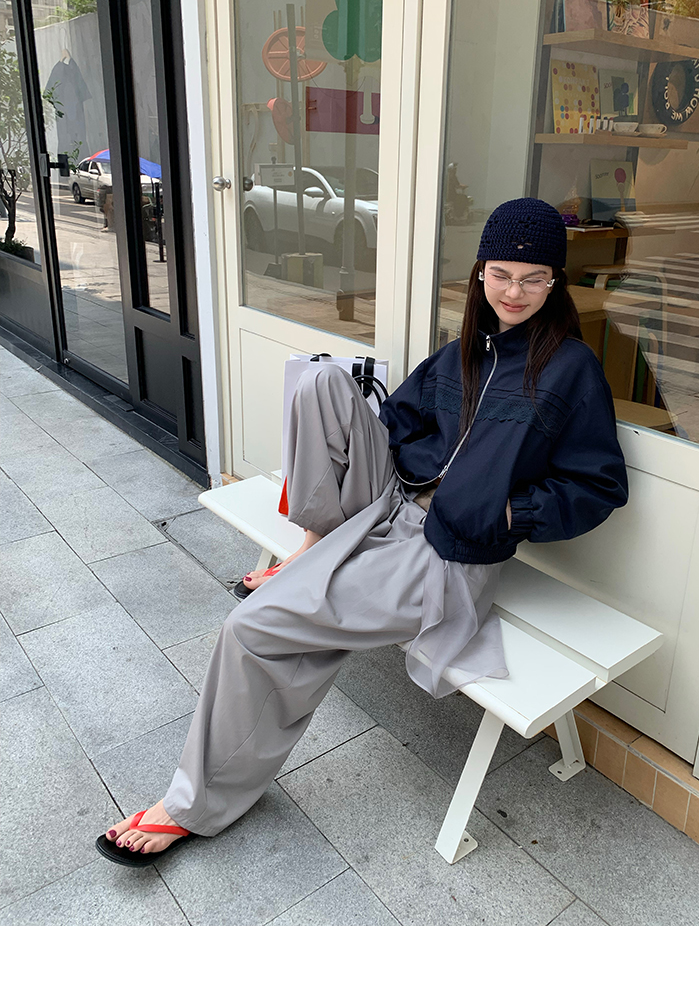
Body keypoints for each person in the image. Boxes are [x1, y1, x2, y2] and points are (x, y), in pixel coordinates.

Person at [97, 197, 628, 866]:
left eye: (532, 278)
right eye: (500, 274)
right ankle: (316, 542)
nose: (513, 292)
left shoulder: (571, 370)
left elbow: (598, 486)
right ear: (479, 273)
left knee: (252, 629)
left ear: (555, 283)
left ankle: (192, 804)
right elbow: (399, 420)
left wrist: (506, 512)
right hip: (390, 506)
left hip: (449, 550)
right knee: (321, 380)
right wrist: (390, 453)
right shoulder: (463, 351)